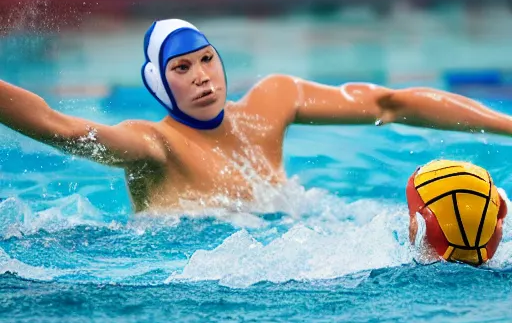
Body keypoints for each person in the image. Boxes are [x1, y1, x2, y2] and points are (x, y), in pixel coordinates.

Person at [2, 18, 512, 212]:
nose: (202, 76)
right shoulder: (155, 147)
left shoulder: (270, 105)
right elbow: (56, 125)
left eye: (206, 59)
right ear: (160, 85)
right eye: (181, 68)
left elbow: (389, 103)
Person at [406, 159, 507, 266]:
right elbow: (501, 214)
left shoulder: (419, 179)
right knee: (498, 212)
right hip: (482, 250)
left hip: (440, 242)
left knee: (414, 192)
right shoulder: (489, 189)